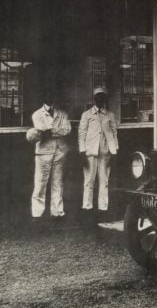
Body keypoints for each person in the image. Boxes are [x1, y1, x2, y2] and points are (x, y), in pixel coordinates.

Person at [31, 88, 71, 219]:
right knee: (40, 182)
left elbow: (67, 130)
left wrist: (51, 131)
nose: (51, 97)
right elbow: (43, 131)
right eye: (47, 94)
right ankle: (37, 212)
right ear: (43, 97)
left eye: (53, 94)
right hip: (43, 152)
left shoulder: (62, 114)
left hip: (60, 151)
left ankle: (57, 211)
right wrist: (56, 131)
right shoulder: (37, 114)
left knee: (57, 182)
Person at [78, 86, 118, 214]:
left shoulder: (110, 115)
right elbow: (82, 134)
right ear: (94, 99)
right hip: (90, 152)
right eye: (98, 97)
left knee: (104, 180)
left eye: (103, 98)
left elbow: (114, 133)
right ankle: (87, 206)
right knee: (89, 180)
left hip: (105, 152)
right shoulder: (87, 115)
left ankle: (103, 207)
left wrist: (115, 150)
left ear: (105, 99)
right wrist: (82, 152)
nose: (100, 100)